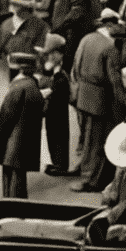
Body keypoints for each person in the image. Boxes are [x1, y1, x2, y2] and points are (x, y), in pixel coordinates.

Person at [70, 9, 125, 193]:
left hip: (84, 97)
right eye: (118, 25)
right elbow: (115, 82)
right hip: (101, 102)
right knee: (99, 142)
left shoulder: (86, 39)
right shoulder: (110, 49)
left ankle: (87, 174)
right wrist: (124, 104)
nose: (120, 29)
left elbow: (75, 67)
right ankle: (93, 181)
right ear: (110, 25)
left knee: (87, 139)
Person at [0, 52, 44, 198]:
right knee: (20, 182)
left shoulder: (17, 88)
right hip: (24, 143)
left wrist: (0, 136)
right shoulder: (32, 85)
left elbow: (5, 118)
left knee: (12, 185)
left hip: (13, 143)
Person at [39, 34, 72, 175]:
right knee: (53, 135)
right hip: (54, 108)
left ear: (60, 53)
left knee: (59, 135)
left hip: (57, 109)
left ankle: (60, 165)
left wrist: (49, 92)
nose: (50, 57)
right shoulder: (56, 69)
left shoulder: (62, 73)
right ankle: (56, 162)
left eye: (53, 53)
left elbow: (59, 88)